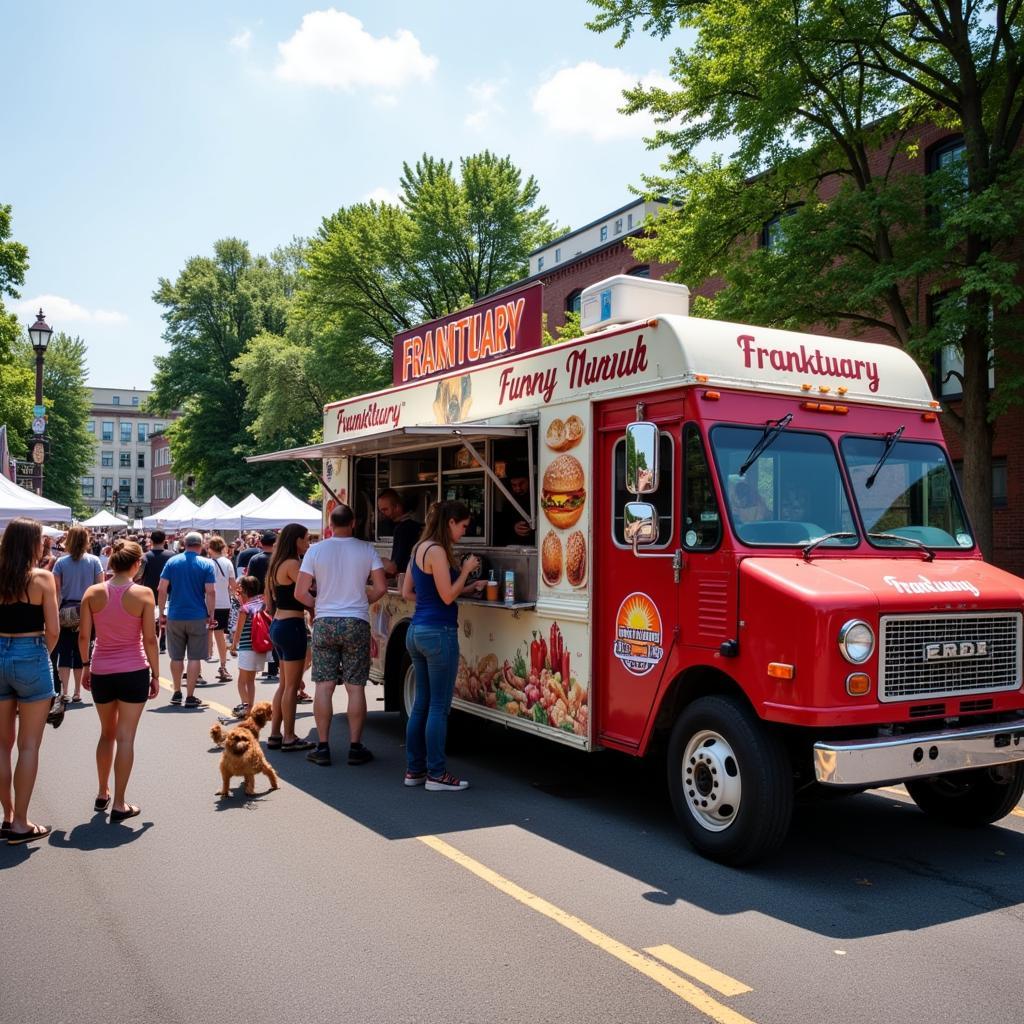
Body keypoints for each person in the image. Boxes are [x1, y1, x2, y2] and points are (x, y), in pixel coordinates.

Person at [401, 500, 486, 791]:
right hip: (439, 633)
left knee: (422, 704)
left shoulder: (419, 548)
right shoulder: (437, 551)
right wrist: (466, 571)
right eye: (463, 526)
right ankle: (437, 774)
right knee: (439, 706)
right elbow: (448, 597)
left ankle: (415, 771)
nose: (463, 531)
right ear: (450, 522)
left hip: (416, 630)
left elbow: (407, 591)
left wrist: (463, 587)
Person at [295, 504, 387, 767]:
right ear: (354, 522)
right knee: (355, 686)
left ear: (329, 524)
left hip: (325, 621)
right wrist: (362, 599)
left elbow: (300, 593)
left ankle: (323, 747)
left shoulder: (315, 550)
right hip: (356, 621)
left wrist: (318, 605)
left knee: (324, 686)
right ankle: (355, 747)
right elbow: (380, 586)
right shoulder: (366, 549)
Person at [78, 540, 159, 822]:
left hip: (101, 668)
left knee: (106, 733)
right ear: (137, 564)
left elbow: (84, 636)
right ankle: (120, 803)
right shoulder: (144, 594)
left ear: (111, 561)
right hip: (134, 669)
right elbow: (150, 638)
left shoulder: (93, 592)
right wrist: (156, 674)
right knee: (125, 738)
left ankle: (103, 791)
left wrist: (86, 666)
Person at [0, 518, 60, 844]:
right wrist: (40, 657)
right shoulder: (41, 578)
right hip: (30, 651)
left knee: (1, 744)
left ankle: (7, 816)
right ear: (31, 544)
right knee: (28, 745)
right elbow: (53, 630)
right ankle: (21, 822)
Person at [264, 524, 313, 751]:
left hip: (278, 624)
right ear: (296, 541)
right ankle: (289, 736)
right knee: (291, 686)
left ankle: (275, 734)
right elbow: (308, 589)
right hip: (292, 625)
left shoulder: (276, 563)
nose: (308, 543)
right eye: (306, 539)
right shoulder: (293, 564)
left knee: (284, 685)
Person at [157, 531, 215, 709]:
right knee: (195, 657)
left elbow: (161, 588)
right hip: (197, 615)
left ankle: (176, 691)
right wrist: (211, 614)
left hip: (175, 614)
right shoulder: (207, 564)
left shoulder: (172, 562)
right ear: (201, 545)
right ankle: (190, 695)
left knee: (176, 656)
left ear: (184, 543)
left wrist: (161, 613)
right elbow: (210, 592)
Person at [52, 526, 103, 703]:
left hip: (66, 610)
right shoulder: (94, 561)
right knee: (82, 652)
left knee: (64, 652)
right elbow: (100, 589)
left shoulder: (61, 563)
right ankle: (77, 691)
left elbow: (56, 590)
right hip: (87, 610)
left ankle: (64, 691)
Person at [228, 575, 265, 718]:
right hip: (260, 647)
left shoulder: (245, 609)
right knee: (251, 680)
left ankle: (246, 706)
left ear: (243, 590)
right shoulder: (262, 605)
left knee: (242, 681)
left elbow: (238, 631)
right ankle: (250, 706)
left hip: (246, 647)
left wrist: (233, 645)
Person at [247, 532, 278, 681]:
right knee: (274, 633)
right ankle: (274, 667)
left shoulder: (255, 559)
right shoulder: (279, 559)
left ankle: (260, 666)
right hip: (277, 599)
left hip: (258, 600)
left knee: (261, 633)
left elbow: (250, 581)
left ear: (261, 543)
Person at [138, 529, 173, 654]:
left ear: (151, 541)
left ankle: (152, 638)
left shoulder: (145, 556)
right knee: (164, 615)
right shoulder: (172, 556)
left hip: (149, 591)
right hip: (169, 590)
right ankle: (162, 640)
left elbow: (139, 575)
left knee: (150, 617)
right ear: (165, 540)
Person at [206, 536, 235, 682]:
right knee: (220, 636)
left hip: (207, 603)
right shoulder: (228, 563)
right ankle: (223, 665)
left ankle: (197, 669)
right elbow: (233, 585)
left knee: (203, 634)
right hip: (223, 603)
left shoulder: (206, 563)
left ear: (210, 548)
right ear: (223, 547)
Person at [377, 489, 422, 577]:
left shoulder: (402, 529)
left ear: (397, 507)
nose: (382, 514)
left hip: (405, 577)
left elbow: (394, 567)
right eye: (380, 510)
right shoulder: (415, 525)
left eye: (385, 509)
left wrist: (380, 561)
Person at [493, 469, 534, 545]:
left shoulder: (538, 498)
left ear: (529, 481)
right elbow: (502, 526)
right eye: (514, 485)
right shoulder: (508, 502)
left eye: (521, 483)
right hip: (514, 545)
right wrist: (513, 527)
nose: (518, 488)